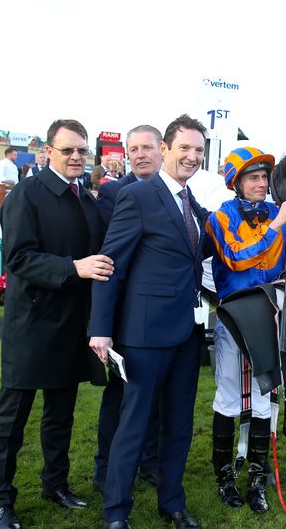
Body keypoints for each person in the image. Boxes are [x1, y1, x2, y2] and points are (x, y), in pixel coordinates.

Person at [0, 119, 112, 529]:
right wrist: (74, 267)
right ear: (48, 152)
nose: (77, 157)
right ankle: (1, 501)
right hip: (31, 325)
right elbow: (19, 258)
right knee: (12, 421)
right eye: (68, 150)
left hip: (71, 325)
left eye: (82, 151)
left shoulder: (87, 199)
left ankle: (54, 484)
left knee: (61, 415)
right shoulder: (26, 195)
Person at [89, 115, 210, 528]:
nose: (191, 156)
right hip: (143, 336)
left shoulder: (193, 204)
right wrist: (101, 329)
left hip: (187, 335)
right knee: (134, 427)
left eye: (198, 150)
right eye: (185, 149)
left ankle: (172, 503)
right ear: (165, 150)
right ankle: (116, 513)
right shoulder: (138, 196)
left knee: (179, 425)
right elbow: (110, 265)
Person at [203, 146, 286, 514]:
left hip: (271, 320)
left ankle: (257, 480)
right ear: (237, 183)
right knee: (230, 397)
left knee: (264, 398)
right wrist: (277, 225)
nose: (262, 183)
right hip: (234, 321)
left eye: (265, 177)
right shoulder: (220, 218)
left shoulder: (281, 218)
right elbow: (237, 256)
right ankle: (224, 478)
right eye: (254, 177)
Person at [91, 125, 165, 494]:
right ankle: (105, 468)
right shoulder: (114, 192)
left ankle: (148, 461)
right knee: (119, 394)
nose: (140, 154)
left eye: (147, 148)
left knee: (153, 396)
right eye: (133, 148)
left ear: (161, 150)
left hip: (161, 316)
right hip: (126, 314)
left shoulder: (175, 193)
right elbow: (111, 259)